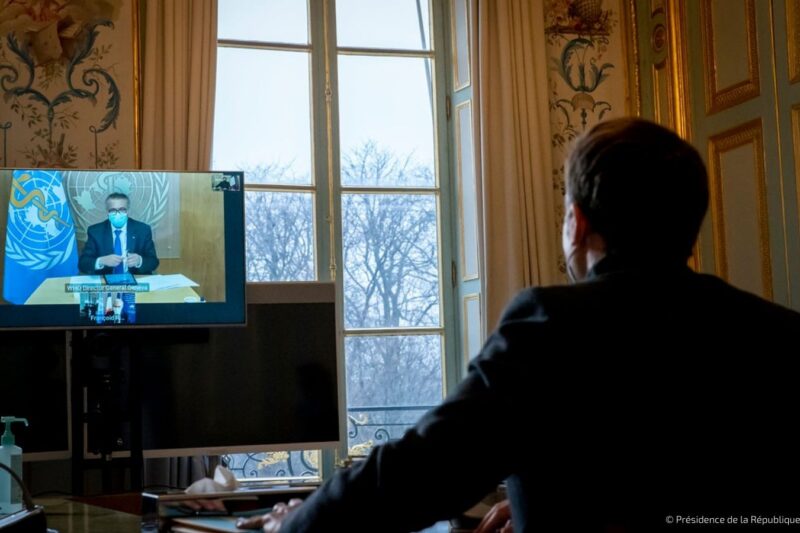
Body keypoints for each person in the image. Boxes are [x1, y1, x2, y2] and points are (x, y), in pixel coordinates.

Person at [237, 118, 800, 532]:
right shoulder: (781, 332)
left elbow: (422, 474)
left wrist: (292, 523)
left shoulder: (552, 324)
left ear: (577, 225)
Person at [78, 192, 159, 275]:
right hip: (106, 282)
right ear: (107, 212)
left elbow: (153, 262)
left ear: (128, 211)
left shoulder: (142, 230)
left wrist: (139, 261)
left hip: (136, 281)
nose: (117, 214)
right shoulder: (95, 231)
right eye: (113, 210)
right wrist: (101, 261)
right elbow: (83, 264)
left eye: (122, 209)